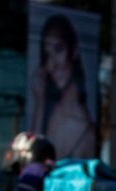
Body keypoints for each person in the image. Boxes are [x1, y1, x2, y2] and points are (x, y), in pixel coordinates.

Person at [30, 14, 96, 158]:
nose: (52, 64)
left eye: (58, 49)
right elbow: (32, 159)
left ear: (74, 51)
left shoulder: (85, 131)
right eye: (47, 55)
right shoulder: (49, 109)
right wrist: (40, 102)